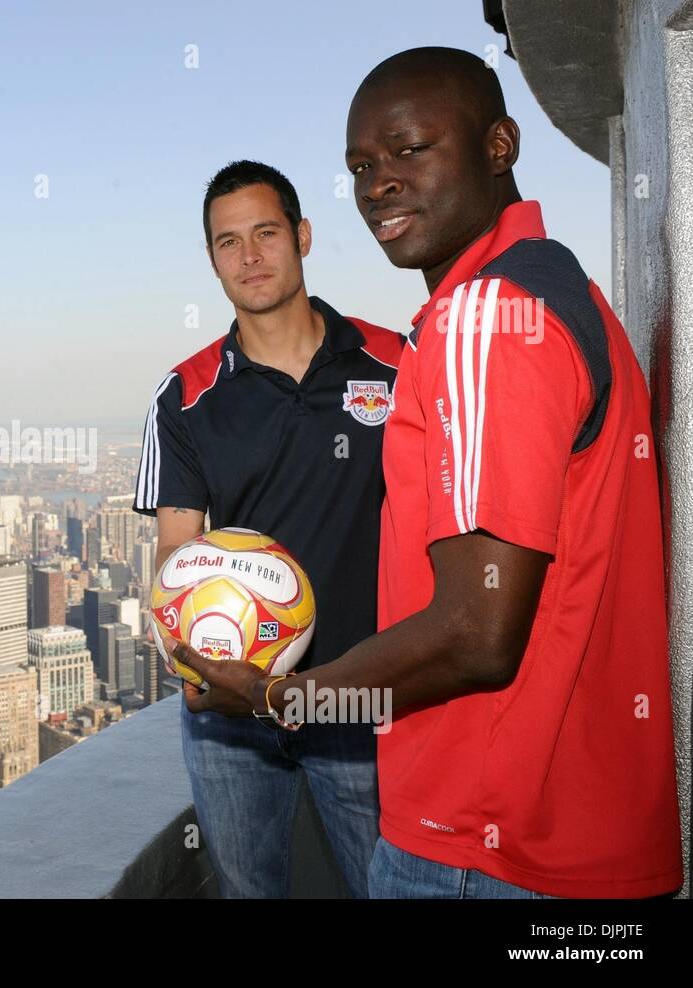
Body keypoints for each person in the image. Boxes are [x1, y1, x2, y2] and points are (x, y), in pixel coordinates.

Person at [172, 48, 683, 898]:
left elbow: (477, 636)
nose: (379, 185)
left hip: (484, 849)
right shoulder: (563, 291)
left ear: (499, 145)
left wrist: (281, 703)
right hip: (579, 842)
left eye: (410, 150)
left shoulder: (485, 319)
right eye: (362, 168)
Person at [133, 160, 404, 897]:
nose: (249, 257)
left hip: (362, 697)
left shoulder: (394, 363)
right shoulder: (186, 394)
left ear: (303, 236)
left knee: (393, 889)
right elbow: (175, 554)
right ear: (212, 259)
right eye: (228, 242)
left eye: (265, 233)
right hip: (231, 713)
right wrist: (191, 661)